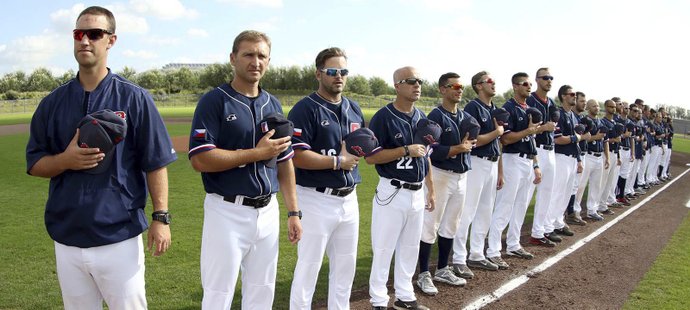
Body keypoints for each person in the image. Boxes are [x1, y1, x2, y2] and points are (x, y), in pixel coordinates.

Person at [25, 6, 177, 309]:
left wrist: (161, 217)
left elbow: (155, 161)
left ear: (111, 40)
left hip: (118, 236)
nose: (85, 40)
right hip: (67, 237)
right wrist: (65, 160)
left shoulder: (134, 98)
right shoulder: (52, 103)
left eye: (94, 34)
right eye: (78, 34)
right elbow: (35, 163)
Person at [188, 30, 302, 309]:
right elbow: (200, 159)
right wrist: (256, 154)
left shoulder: (272, 103)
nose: (255, 61)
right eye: (248, 54)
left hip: (267, 211)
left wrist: (294, 212)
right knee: (218, 293)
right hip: (226, 210)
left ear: (268, 61)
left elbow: (285, 160)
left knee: (262, 292)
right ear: (233, 58)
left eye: (261, 55)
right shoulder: (214, 101)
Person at [287, 47, 363, 309]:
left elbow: (360, 146)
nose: (339, 76)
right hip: (315, 198)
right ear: (319, 73)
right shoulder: (304, 109)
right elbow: (296, 155)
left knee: (345, 267)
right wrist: (337, 161)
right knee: (309, 268)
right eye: (332, 71)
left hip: (349, 199)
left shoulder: (353, 108)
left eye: (343, 71)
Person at [367, 66, 434, 310]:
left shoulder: (421, 117)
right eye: (411, 81)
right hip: (392, 191)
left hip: (417, 191)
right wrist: (404, 150)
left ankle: (405, 297)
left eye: (419, 80)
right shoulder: (383, 117)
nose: (417, 85)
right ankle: (378, 300)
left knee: (410, 247)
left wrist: (431, 189)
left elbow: (426, 156)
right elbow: (371, 157)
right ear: (397, 85)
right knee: (384, 248)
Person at [416, 72, 474, 296]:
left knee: (452, 224)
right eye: (454, 86)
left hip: (461, 175)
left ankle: (442, 268)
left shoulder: (464, 116)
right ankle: (423, 273)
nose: (459, 89)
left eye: (461, 86)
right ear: (442, 89)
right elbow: (429, 150)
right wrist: (457, 149)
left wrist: (466, 147)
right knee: (430, 224)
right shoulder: (435, 116)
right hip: (440, 174)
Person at [452, 70, 506, 275]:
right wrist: (496, 132)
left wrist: (500, 171)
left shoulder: (495, 109)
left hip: (492, 163)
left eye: (494, 80)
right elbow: (473, 141)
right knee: (467, 211)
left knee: (485, 211)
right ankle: (458, 258)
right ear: (479, 86)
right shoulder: (473, 107)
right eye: (489, 81)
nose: (493, 84)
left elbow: (498, 144)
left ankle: (476, 254)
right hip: (476, 162)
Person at [486, 72, 541, 264]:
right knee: (504, 206)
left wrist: (536, 165)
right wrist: (528, 130)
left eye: (530, 84)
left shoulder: (530, 109)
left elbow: (531, 139)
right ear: (515, 86)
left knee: (521, 206)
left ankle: (513, 244)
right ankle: (493, 250)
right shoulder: (508, 108)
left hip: (527, 161)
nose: (528, 86)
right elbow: (506, 139)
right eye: (524, 83)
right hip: (512, 159)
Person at [526, 68, 560, 246]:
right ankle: (510, 238)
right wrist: (543, 128)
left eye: (551, 78)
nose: (549, 81)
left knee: (547, 192)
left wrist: (549, 128)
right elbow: (526, 130)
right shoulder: (530, 100)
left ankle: (538, 232)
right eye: (546, 78)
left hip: (550, 148)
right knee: (526, 195)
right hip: (536, 149)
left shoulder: (551, 102)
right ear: (537, 80)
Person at [545, 85, 582, 239]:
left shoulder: (572, 115)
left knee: (566, 194)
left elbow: (575, 141)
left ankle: (558, 222)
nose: (574, 96)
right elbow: (558, 139)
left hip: (572, 158)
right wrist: (576, 138)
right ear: (563, 96)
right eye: (571, 94)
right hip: (561, 157)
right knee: (556, 193)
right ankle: (548, 226)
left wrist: (579, 159)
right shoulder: (558, 113)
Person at [575, 99, 609, 221]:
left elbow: (605, 141)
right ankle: (576, 211)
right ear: (588, 107)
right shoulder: (584, 121)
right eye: (594, 106)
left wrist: (607, 158)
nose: (597, 108)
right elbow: (582, 138)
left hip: (599, 156)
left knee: (596, 185)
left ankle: (592, 210)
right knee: (581, 185)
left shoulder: (599, 121)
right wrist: (596, 137)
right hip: (588, 155)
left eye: (598, 106)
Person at [566, 91, 591, 225]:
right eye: (581, 101)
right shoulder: (572, 117)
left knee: (576, 186)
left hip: (580, 153)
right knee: (571, 186)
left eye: (584, 101)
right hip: (573, 154)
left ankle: (572, 212)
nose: (583, 103)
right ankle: (570, 212)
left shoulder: (580, 118)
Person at [599, 100, 621, 216]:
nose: (613, 108)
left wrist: (618, 156)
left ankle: (603, 205)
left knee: (609, 182)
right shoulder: (603, 122)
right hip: (605, 153)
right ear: (606, 107)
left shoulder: (615, 122)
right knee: (602, 181)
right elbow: (604, 140)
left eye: (614, 107)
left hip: (614, 153)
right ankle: (597, 205)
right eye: (610, 106)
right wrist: (614, 140)